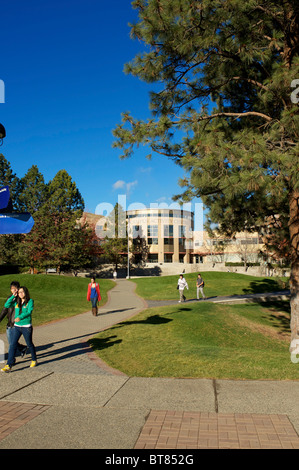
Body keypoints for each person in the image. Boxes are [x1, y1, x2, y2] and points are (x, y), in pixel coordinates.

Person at [1, 286, 37, 373]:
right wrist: (13, 296)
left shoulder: (30, 301)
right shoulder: (16, 302)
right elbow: (6, 305)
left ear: (26, 292)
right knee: (12, 344)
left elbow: (29, 312)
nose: (21, 294)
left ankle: (34, 359)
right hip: (17, 327)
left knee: (29, 344)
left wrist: (20, 317)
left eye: (22, 292)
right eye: (19, 292)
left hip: (26, 327)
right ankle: (8, 365)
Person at [0, 281, 27, 360]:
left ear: (18, 289)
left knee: (12, 343)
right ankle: (22, 348)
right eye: (12, 289)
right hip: (9, 324)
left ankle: (11, 360)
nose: (14, 290)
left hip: (16, 324)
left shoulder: (20, 299)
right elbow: (5, 309)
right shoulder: (10, 298)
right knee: (11, 342)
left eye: (15, 289)